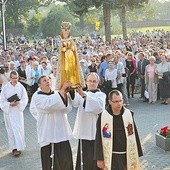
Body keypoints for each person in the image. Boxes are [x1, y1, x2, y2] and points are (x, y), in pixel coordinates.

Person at [29, 75, 74, 170]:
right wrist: (62, 91)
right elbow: (48, 105)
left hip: (61, 132)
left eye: (48, 79)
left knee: (66, 160)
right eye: (44, 80)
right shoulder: (37, 96)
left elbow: (67, 108)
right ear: (39, 85)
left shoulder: (57, 93)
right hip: (48, 133)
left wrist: (65, 93)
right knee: (50, 163)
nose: (47, 81)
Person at [94, 90, 143, 170]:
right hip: (111, 156)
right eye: (116, 101)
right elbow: (98, 138)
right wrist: (99, 158)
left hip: (127, 155)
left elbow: (134, 134)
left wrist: (137, 153)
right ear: (110, 102)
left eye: (121, 100)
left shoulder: (128, 114)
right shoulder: (103, 117)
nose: (119, 104)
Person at [72, 72, 106, 170]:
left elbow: (99, 107)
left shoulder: (101, 95)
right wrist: (71, 90)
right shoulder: (80, 94)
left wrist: (83, 94)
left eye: (94, 81)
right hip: (84, 130)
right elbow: (74, 103)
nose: (92, 83)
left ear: (98, 82)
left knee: (96, 159)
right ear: (86, 82)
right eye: (90, 81)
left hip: (96, 132)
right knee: (85, 158)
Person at [0, 71, 28, 156]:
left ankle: (19, 147)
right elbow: (2, 100)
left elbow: (25, 98)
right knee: (11, 130)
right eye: (13, 78)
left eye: (16, 78)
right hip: (9, 112)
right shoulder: (5, 87)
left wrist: (19, 103)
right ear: (10, 78)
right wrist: (9, 104)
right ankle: (14, 148)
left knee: (18, 129)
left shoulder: (21, 87)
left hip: (18, 111)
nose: (15, 80)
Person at [56, 21, 85, 89]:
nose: (65, 34)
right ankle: (66, 82)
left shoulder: (71, 40)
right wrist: (65, 48)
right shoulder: (61, 41)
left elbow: (74, 48)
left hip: (71, 57)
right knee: (66, 69)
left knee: (72, 69)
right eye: (64, 33)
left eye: (67, 33)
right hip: (65, 58)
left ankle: (73, 82)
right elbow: (61, 50)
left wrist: (70, 47)